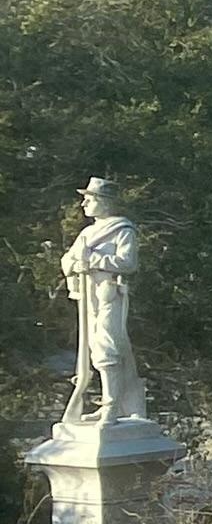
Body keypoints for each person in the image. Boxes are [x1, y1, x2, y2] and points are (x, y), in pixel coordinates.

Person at [58, 178, 145, 428]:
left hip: (109, 294)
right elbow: (67, 261)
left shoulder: (122, 230)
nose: (84, 203)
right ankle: (111, 404)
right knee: (94, 350)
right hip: (88, 296)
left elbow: (128, 263)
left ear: (105, 202)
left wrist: (93, 259)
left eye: (90, 198)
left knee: (108, 348)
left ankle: (111, 408)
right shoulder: (87, 233)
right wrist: (76, 264)